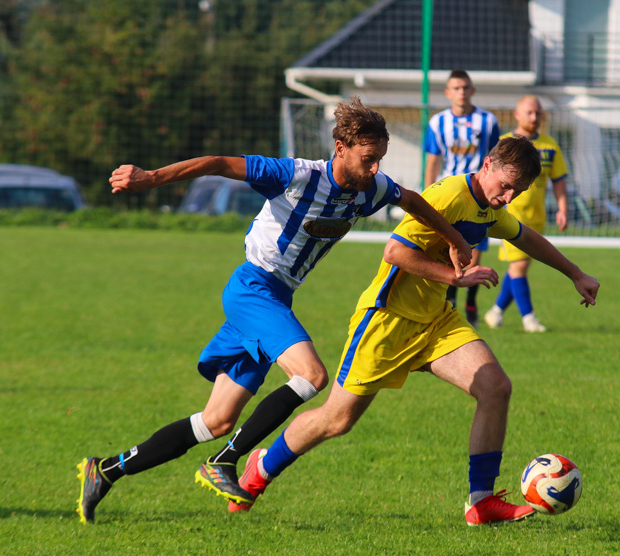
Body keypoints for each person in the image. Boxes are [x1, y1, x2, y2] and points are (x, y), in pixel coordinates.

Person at [75, 97, 472, 524]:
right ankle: (224, 463)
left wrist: (453, 239)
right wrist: (150, 177)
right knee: (313, 375)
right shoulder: (296, 175)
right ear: (340, 147)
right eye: (368, 159)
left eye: (379, 160)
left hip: (277, 299)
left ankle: (105, 470)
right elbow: (217, 162)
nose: (375, 169)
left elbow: (412, 200)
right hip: (252, 288)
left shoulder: (369, 189)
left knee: (217, 419)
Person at [229, 137, 600, 525]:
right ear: (487, 165)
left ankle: (481, 501)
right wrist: (454, 278)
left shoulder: (488, 207)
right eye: (505, 186)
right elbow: (395, 252)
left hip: (435, 319)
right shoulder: (450, 195)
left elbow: (525, 237)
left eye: (517, 192)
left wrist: (575, 274)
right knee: (337, 420)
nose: (508, 197)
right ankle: (261, 468)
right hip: (386, 320)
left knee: (495, 388)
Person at [484, 95, 570, 333]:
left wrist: (563, 208)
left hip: (537, 217)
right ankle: (528, 318)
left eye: (538, 113)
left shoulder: (550, 146)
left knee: (517, 269)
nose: (535, 117)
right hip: (510, 216)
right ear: (517, 114)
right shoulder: (504, 144)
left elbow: (559, 180)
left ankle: (496, 311)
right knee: (519, 267)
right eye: (529, 112)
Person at [424, 69, 501, 328]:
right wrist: (427, 197)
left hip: (478, 194)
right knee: (448, 250)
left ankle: (470, 302)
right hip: (449, 193)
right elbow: (433, 160)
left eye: (465, 87)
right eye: (456, 88)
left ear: (472, 90)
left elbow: (495, 158)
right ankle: (453, 301)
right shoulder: (437, 123)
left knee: (475, 252)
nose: (461, 92)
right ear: (448, 93)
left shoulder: (487, 121)